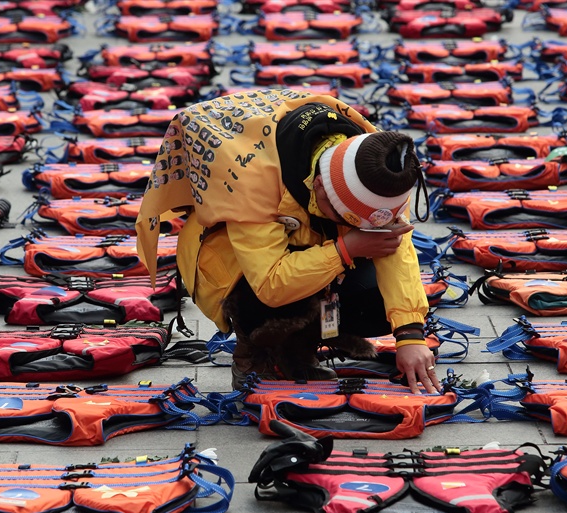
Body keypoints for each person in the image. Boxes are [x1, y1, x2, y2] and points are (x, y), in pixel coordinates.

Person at [136, 88, 437, 393]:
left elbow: (398, 254)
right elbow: (269, 282)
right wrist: (346, 249)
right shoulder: (250, 176)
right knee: (272, 299)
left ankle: (300, 351)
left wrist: (410, 335)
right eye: (346, 218)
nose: (356, 226)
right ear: (319, 185)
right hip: (235, 269)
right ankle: (256, 356)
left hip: (311, 253)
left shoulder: (377, 165)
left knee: (375, 300)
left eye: (366, 222)